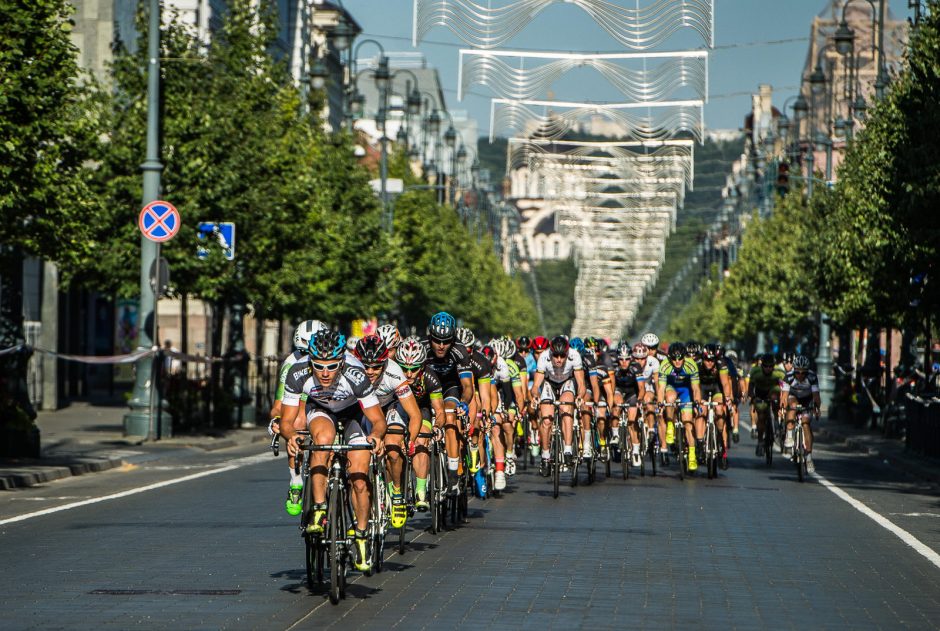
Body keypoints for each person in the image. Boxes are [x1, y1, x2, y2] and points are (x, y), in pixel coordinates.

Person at [280, 330, 387, 572]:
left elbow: (378, 420)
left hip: (354, 414)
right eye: (318, 366)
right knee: (323, 439)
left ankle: (361, 536)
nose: (325, 373)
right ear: (310, 362)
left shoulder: (356, 374)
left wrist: (377, 436)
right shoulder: (298, 373)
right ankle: (318, 508)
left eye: (332, 366)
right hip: (321, 410)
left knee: (359, 478)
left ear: (342, 361)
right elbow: (286, 421)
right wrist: (291, 436)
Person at [270, 319, 328, 516]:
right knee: (295, 421)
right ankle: (295, 480)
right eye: (303, 353)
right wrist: (277, 420)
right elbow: (278, 406)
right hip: (301, 401)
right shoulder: (291, 364)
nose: (307, 359)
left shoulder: (333, 362)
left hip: (327, 403)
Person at [531, 335, 586, 475]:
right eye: (556, 355)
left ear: (567, 353)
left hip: (566, 383)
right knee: (547, 420)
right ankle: (545, 456)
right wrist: (535, 395)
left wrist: (580, 396)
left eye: (563, 356)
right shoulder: (544, 357)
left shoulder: (575, 356)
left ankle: (567, 449)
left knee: (566, 408)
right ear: (551, 353)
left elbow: (581, 383)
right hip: (549, 383)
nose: (559, 359)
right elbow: (536, 384)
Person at [780, 355, 821, 473]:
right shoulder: (788, 377)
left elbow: (816, 397)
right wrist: (782, 408)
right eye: (798, 372)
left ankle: (808, 457)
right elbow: (784, 397)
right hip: (793, 397)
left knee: (806, 424)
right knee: (792, 406)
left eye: (803, 373)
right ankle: (789, 435)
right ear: (794, 370)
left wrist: (816, 408)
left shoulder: (812, 377)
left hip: (807, 399)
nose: (800, 375)